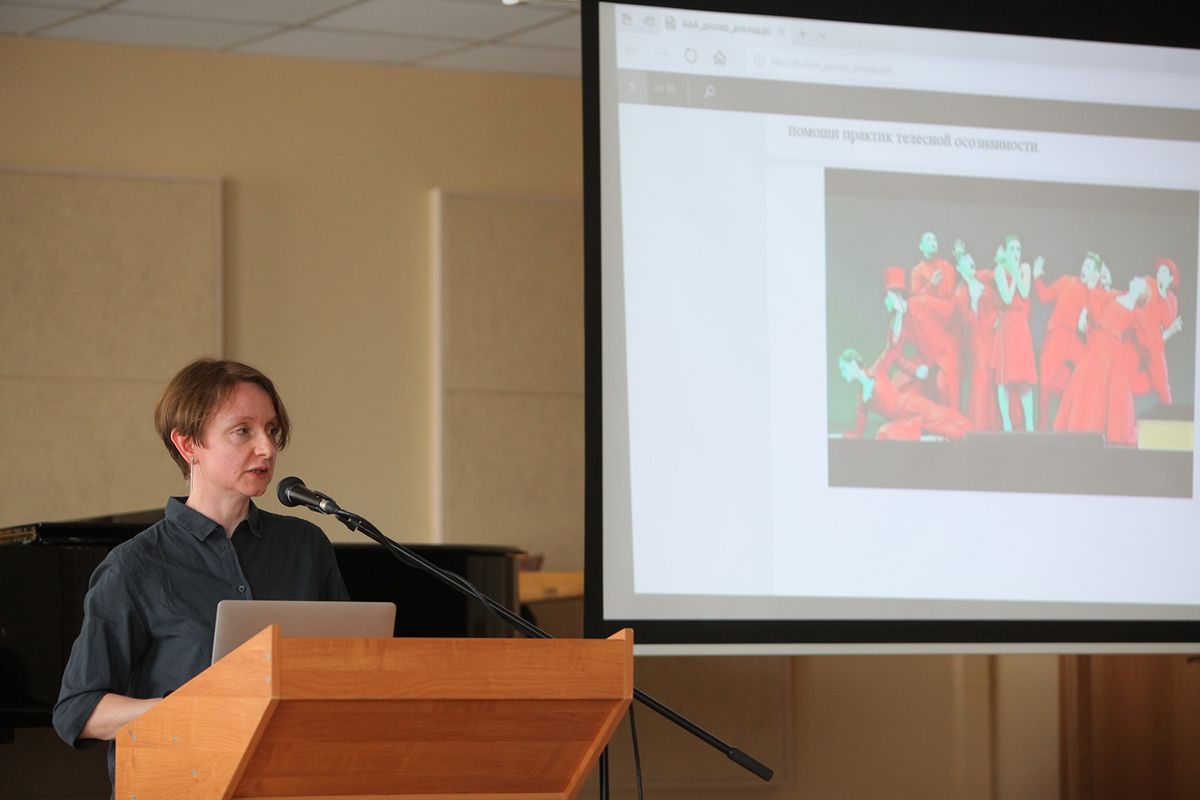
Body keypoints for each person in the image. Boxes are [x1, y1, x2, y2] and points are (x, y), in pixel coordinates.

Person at [52, 358, 350, 786]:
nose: (266, 449)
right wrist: (185, 711)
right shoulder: (134, 566)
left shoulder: (305, 547)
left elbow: (348, 670)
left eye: (271, 430)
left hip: (291, 781)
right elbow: (77, 711)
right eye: (243, 431)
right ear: (188, 443)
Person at [1055, 277, 1150, 445]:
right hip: (1097, 341)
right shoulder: (1115, 295)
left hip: (1112, 351)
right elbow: (1096, 301)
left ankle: (1095, 430)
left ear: (1142, 292)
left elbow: (1147, 340)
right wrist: (1084, 312)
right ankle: (1079, 426)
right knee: (1085, 383)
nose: (1135, 278)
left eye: (1139, 281)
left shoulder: (1137, 313)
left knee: (1102, 390)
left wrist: (1166, 333)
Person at [839, 347, 972, 441]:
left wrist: (915, 371)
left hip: (910, 405)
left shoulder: (877, 370)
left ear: (853, 364)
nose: (842, 374)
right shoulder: (861, 399)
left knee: (949, 424)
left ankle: (969, 434)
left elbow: (891, 349)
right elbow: (858, 432)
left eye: (844, 368)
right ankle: (926, 438)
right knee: (883, 433)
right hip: (903, 423)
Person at [1033, 252, 1101, 428]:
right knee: (1045, 383)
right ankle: (1042, 425)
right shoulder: (1067, 281)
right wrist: (1037, 277)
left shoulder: (1097, 294)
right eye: (1084, 264)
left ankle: (1070, 425)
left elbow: (1098, 321)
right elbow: (1044, 296)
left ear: (1095, 273)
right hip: (1059, 336)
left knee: (1080, 383)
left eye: (1089, 267)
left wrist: (1092, 291)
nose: (1084, 268)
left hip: (1079, 341)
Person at [990, 236, 1038, 432]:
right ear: (1006, 251)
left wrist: (1016, 271)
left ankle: (1030, 422)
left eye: (1018, 249)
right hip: (1006, 325)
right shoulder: (999, 270)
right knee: (1004, 378)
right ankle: (1006, 422)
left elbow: (1025, 292)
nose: (1016, 253)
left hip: (1020, 325)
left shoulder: (1025, 268)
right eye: (1012, 249)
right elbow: (1008, 298)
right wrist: (1011, 271)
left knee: (1025, 377)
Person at [952, 243, 1000, 430]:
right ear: (959, 268)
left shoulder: (983, 276)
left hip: (995, 333)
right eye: (965, 260)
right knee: (982, 377)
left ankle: (996, 424)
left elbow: (1000, 278)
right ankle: (979, 425)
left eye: (970, 258)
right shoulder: (960, 293)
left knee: (995, 377)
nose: (970, 261)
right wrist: (974, 300)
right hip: (978, 339)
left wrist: (1001, 259)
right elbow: (968, 323)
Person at [1131, 257, 1182, 405]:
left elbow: (1168, 324)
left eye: (1164, 272)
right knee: (1125, 376)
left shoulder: (1171, 300)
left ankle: (1168, 414)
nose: (1160, 273)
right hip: (1137, 339)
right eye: (1159, 270)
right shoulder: (1149, 282)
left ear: (1171, 279)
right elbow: (1135, 289)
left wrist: (1162, 295)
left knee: (1163, 387)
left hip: (1155, 345)